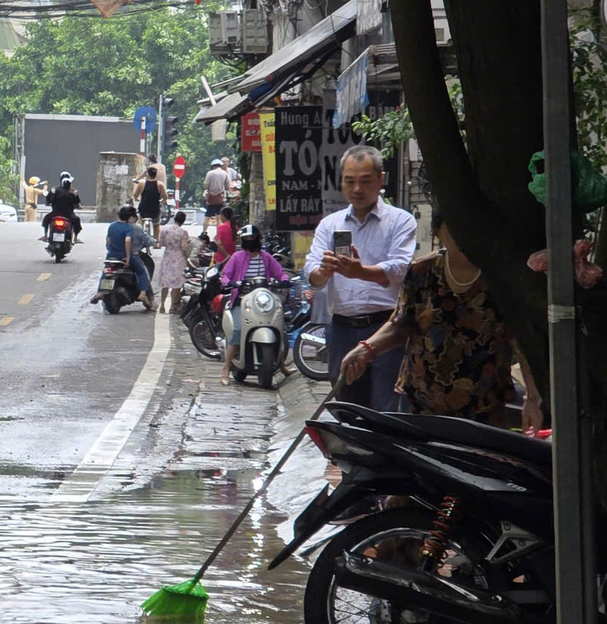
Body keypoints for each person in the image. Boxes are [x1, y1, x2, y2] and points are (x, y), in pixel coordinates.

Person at [341, 217, 540, 425]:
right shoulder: (422, 270)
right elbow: (400, 324)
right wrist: (365, 350)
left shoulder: (501, 278)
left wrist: (533, 398)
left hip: (483, 409)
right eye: (455, 228)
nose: (464, 237)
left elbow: (524, 340)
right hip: (419, 405)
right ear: (438, 231)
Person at [306, 144, 418, 410]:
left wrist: (361, 272)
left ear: (380, 180)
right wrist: (323, 271)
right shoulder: (330, 224)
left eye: (365, 181)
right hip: (342, 328)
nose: (357, 189)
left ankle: (386, 452)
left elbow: (401, 269)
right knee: (349, 408)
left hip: (387, 328)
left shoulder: (400, 221)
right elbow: (311, 274)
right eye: (349, 181)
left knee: (387, 407)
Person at [218, 223, 292, 385]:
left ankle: (282, 364)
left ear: (259, 239)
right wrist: (232, 283)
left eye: (253, 238)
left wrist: (285, 281)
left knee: (278, 326)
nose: (250, 241)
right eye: (247, 239)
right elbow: (225, 276)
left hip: (263, 300)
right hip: (242, 300)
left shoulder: (266, 258)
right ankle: (226, 367)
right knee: (237, 329)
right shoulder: (237, 257)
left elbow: (280, 273)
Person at [102, 205, 152, 302]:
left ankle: (100, 292)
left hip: (111, 255)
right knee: (141, 271)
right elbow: (128, 240)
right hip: (124, 256)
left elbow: (107, 240)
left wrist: (109, 250)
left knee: (105, 271)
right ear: (130, 217)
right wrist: (128, 257)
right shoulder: (128, 227)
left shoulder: (112, 225)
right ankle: (142, 293)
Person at [155, 209, 195, 313]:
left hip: (167, 257)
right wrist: (189, 244)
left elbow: (161, 243)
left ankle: (162, 305)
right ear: (183, 221)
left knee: (165, 283)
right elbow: (184, 247)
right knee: (176, 285)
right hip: (178, 259)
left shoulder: (165, 229)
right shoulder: (183, 232)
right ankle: (173, 306)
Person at [44, 172, 83, 239]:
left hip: (55, 213)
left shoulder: (54, 190)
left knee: (46, 219)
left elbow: (48, 201)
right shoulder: (72, 192)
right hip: (69, 215)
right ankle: (75, 238)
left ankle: (45, 235)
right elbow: (77, 204)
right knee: (77, 220)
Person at [134, 163, 166, 229]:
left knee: (140, 225)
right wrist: (161, 201)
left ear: (147, 174)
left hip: (143, 210)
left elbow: (135, 195)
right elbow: (165, 197)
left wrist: (137, 199)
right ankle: (156, 239)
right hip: (155, 210)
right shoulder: (160, 185)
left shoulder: (141, 184)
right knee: (156, 226)